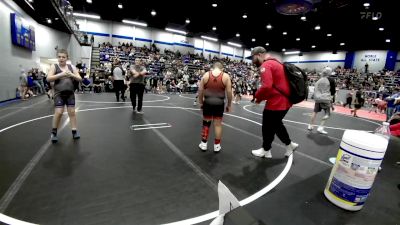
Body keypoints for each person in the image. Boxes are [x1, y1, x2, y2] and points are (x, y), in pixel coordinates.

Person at [250, 47, 298, 158]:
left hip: (276, 102)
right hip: (284, 101)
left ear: (260, 55)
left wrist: (257, 96)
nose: (253, 60)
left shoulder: (266, 65)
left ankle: (267, 150)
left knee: (268, 126)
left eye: (253, 57)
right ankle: (288, 145)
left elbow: (267, 86)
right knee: (275, 125)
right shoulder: (277, 63)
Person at [46, 49, 82, 143]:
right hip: (59, 93)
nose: (61, 59)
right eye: (59, 57)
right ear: (57, 58)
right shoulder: (54, 66)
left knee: (72, 112)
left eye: (63, 57)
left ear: (67, 58)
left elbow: (80, 79)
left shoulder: (71, 67)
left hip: (70, 93)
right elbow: (48, 78)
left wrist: (72, 75)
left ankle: (74, 131)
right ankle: (54, 132)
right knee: (59, 112)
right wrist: (61, 74)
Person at [198, 62, 232, 153]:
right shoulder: (226, 76)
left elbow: (200, 90)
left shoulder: (206, 75)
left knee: (206, 123)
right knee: (218, 125)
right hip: (219, 104)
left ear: (213, 68)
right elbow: (229, 92)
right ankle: (217, 146)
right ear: (222, 69)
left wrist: (201, 102)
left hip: (208, 102)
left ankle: (203, 144)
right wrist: (229, 104)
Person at [308, 67, 333, 134]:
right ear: (329, 72)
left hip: (318, 99)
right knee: (327, 114)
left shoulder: (319, 80)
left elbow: (315, 89)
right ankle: (320, 128)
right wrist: (332, 100)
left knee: (315, 112)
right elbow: (333, 91)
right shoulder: (331, 80)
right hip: (326, 99)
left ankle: (310, 125)